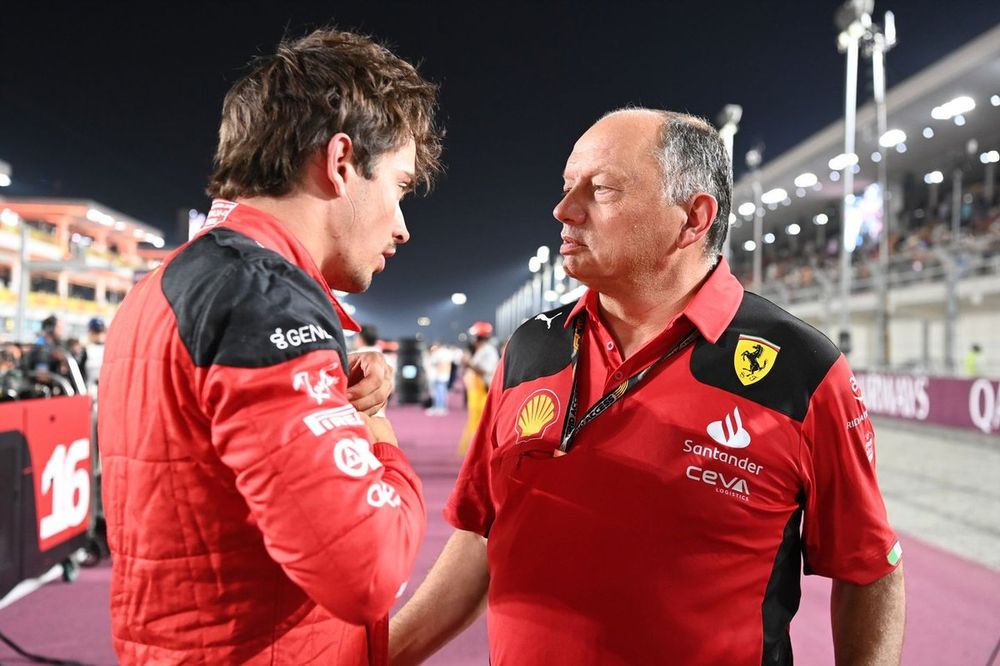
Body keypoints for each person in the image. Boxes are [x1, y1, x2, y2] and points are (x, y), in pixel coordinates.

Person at [390, 109, 905, 665]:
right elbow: (482, 537)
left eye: (601, 190)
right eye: (567, 187)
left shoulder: (802, 369)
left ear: (693, 219)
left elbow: (868, 570)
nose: (564, 210)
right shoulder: (530, 348)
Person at [98, 28, 442, 665]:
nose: (402, 226)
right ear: (341, 163)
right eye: (399, 187)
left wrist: (338, 394)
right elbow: (368, 569)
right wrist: (379, 437)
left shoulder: (174, 280)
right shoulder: (263, 297)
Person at [457, 322, 498, 455]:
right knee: (476, 422)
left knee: (483, 424)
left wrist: (469, 363)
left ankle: (482, 452)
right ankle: (476, 451)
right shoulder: (481, 350)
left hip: (484, 392)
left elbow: (485, 371)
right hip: (477, 392)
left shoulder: (488, 351)